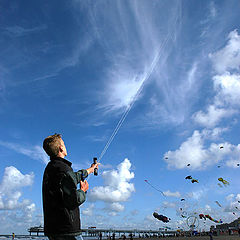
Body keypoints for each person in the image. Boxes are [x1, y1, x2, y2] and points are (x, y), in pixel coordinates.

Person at [42, 134, 99, 240]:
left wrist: (90, 170)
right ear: (61, 148)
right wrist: (83, 191)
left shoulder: (50, 168)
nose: (65, 146)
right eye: (64, 144)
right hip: (67, 230)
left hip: (53, 230)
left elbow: (72, 177)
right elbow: (72, 200)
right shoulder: (64, 168)